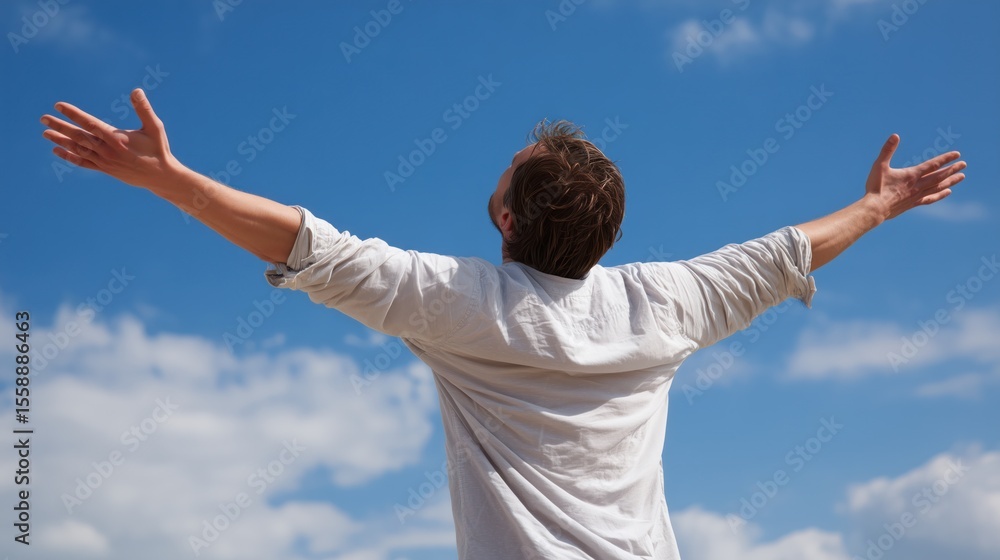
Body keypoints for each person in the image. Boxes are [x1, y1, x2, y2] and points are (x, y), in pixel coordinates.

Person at [41, 88, 966, 559]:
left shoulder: (459, 303)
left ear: (506, 219)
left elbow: (308, 243)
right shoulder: (666, 303)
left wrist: (172, 181)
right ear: (609, 237)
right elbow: (787, 253)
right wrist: (880, 206)